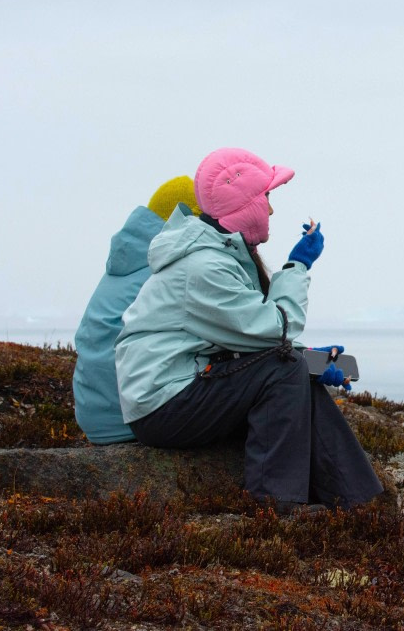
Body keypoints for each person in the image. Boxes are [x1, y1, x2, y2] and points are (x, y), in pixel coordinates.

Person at [114, 148, 383, 513]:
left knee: (296, 371)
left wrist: (312, 361)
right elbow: (277, 328)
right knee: (287, 369)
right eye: (267, 198)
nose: (271, 210)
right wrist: (298, 266)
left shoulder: (216, 255)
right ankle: (277, 506)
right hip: (163, 405)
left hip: (181, 387)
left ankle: (359, 501)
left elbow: (253, 339)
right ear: (247, 205)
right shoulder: (204, 267)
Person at [72, 176, 201, 445]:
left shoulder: (127, 264)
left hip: (97, 420)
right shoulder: (172, 271)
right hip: (137, 420)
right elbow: (249, 338)